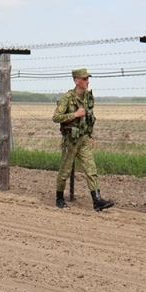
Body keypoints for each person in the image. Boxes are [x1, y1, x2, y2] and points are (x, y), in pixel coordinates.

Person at [52, 68, 114, 212]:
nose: (87, 81)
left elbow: (89, 118)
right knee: (65, 171)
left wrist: (91, 135)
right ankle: (59, 199)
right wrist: (74, 114)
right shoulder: (67, 98)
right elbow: (56, 117)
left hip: (84, 139)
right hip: (71, 140)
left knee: (91, 169)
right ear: (76, 81)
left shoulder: (88, 97)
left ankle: (97, 201)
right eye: (85, 79)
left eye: (87, 79)